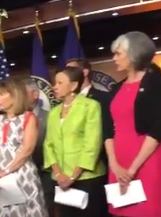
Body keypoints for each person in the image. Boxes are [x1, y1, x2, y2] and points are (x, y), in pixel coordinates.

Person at [105, 32, 161, 217]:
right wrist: (114, 165)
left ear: (134, 54)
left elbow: (157, 128)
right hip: (118, 161)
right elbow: (107, 130)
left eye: (118, 54)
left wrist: (131, 170)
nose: (114, 58)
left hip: (146, 159)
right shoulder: (115, 88)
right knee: (121, 212)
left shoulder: (155, 84)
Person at [44, 66, 107, 217]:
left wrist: (72, 177)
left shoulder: (90, 106)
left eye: (60, 83)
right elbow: (48, 144)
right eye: (55, 83)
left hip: (86, 178)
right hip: (60, 180)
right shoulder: (53, 113)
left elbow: (92, 144)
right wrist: (59, 175)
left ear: (73, 85)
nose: (55, 87)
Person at [0, 78, 47, 217]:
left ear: (14, 95)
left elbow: (27, 150)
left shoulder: (28, 118)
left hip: (22, 175)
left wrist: (6, 171)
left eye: (1, 94)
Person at [23, 78, 53, 216]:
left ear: (35, 94)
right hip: (22, 177)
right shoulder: (16, 118)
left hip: (45, 174)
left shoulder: (49, 116)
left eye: (24, 93)